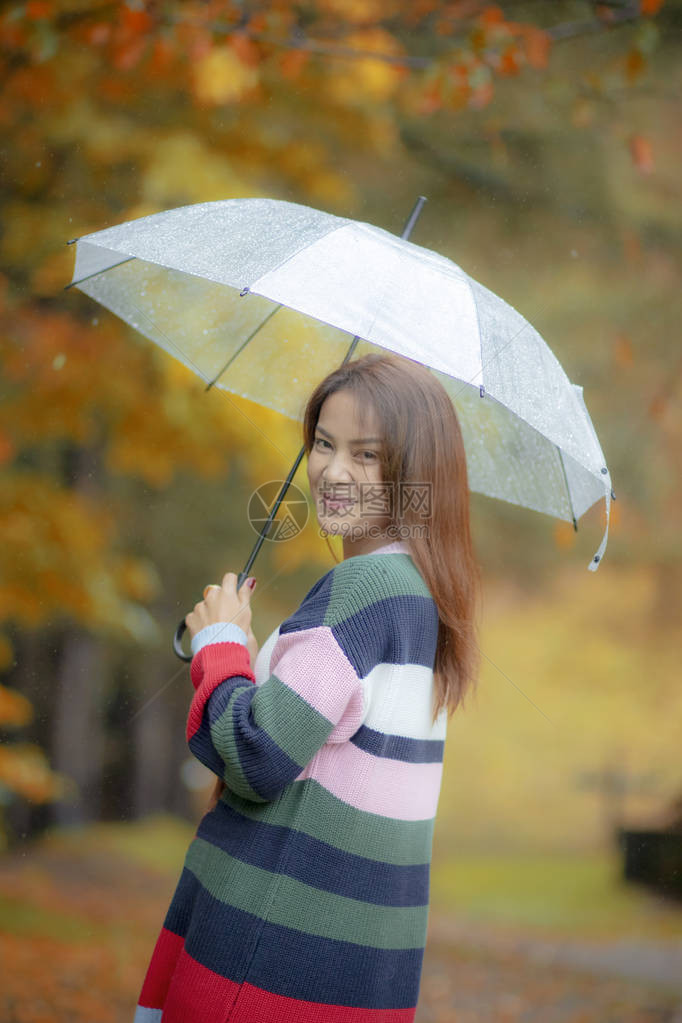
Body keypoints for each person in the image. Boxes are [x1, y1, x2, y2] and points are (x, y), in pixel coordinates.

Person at [133, 351, 480, 1023]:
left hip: (270, 955)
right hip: (352, 963)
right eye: (323, 442)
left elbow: (258, 755)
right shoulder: (423, 598)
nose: (333, 470)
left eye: (367, 454)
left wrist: (222, 645)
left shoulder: (365, 588)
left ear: (415, 474)